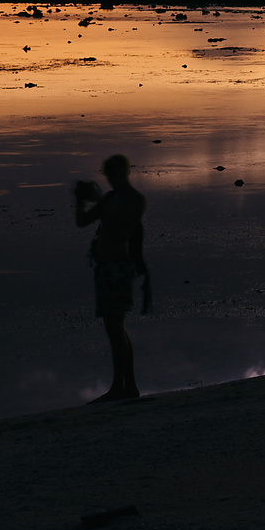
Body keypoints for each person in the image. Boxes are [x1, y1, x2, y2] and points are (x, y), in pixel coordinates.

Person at [73, 154, 148, 402]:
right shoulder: (110, 198)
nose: (109, 179)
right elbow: (82, 221)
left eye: (112, 174)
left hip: (119, 268)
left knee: (115, 327)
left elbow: (121, 227)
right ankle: (128, 387)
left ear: (122, 173)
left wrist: (100, 203)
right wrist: (80, 200)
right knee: (115, 327)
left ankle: (121, 387)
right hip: (105, 268)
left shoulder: (135, 199)